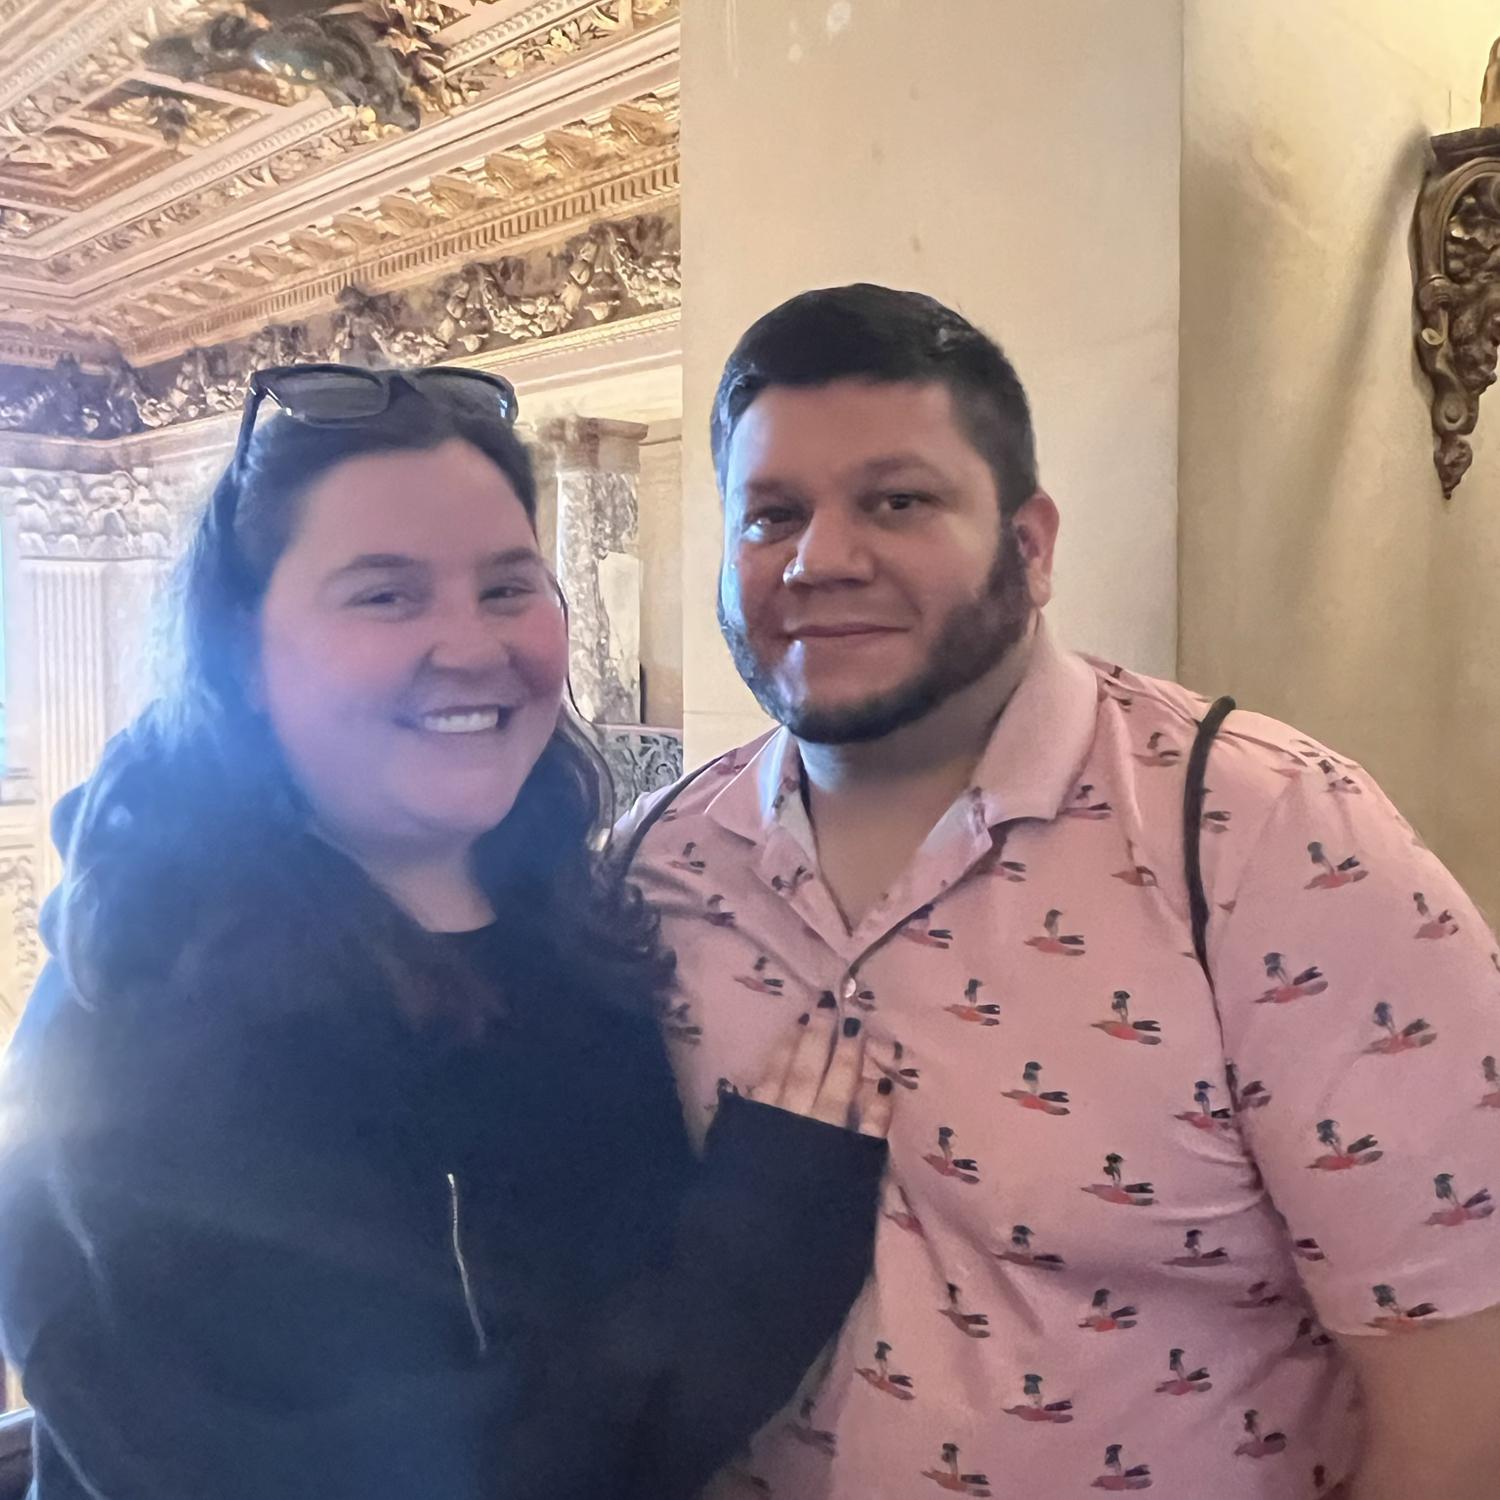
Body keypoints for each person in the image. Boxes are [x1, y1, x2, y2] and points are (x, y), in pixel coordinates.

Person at [620, 285, 1500, 1500]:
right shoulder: (657, 861)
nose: (822, 559)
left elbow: (1461, 1399)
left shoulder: (1271, 839)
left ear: (1029, 547)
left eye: (897, 501)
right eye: (772, 515)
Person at [0, 364, 893, 1500]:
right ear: (242, 655)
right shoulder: (137, 1024)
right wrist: (763, 1243)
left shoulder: (577, 915)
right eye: (386, 595)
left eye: (509, 586)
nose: (473, 647)